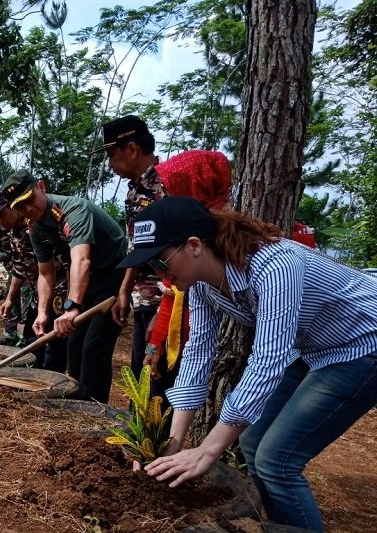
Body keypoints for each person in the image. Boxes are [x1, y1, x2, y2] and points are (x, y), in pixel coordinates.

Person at [117, 196, 377, 532]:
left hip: (361, 344)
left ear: (194, 245)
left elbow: (267, 361)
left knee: (277, 461)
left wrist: (209, 450)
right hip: (311, 345)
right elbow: (197, 356)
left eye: (160, 263)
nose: (158, 277)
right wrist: (176, 440)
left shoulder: (276, 267)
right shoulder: (202, 287)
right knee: (252, 444)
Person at [2, 169, 128, 403]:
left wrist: (72, 308)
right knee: (74, 345)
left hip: (115, 275)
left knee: (94, 348)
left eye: (29, 200)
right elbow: (45, 272)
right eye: (20, 206)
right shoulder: (36, 228)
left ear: (41, 187)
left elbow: (82, 259)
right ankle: (80, 402)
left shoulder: (73, 210)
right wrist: (42, 312)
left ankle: (95, 409)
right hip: (87, 279)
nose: (28, 209)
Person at [143, 149, 233, 403]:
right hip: (185, 346)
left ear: (193, 185)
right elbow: (172, 295)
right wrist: (156, 343)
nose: (164, 197)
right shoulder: (180, 246)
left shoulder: (223, 241)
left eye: (171, 190)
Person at [100, 115, 167, 383]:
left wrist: (165, 310)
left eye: (112, 155)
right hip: (143, 297)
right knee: (141, 369)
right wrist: (125, 290)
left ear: (131, 149)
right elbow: (135, 246)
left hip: (164, 298)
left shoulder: (166, 186)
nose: (110, 164)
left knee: (155, 375)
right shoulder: (134, 191)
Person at [0, 189, 68, 371]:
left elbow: (61, 264)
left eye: (2, 214)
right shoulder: (14, 233)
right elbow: (19, 269)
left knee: (55, 347)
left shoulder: (37, 226)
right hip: (36, 295)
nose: (0, 221)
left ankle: (54, 387)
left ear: (14, 207)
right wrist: (9, 299)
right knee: (31, 342)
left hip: (58, 293)